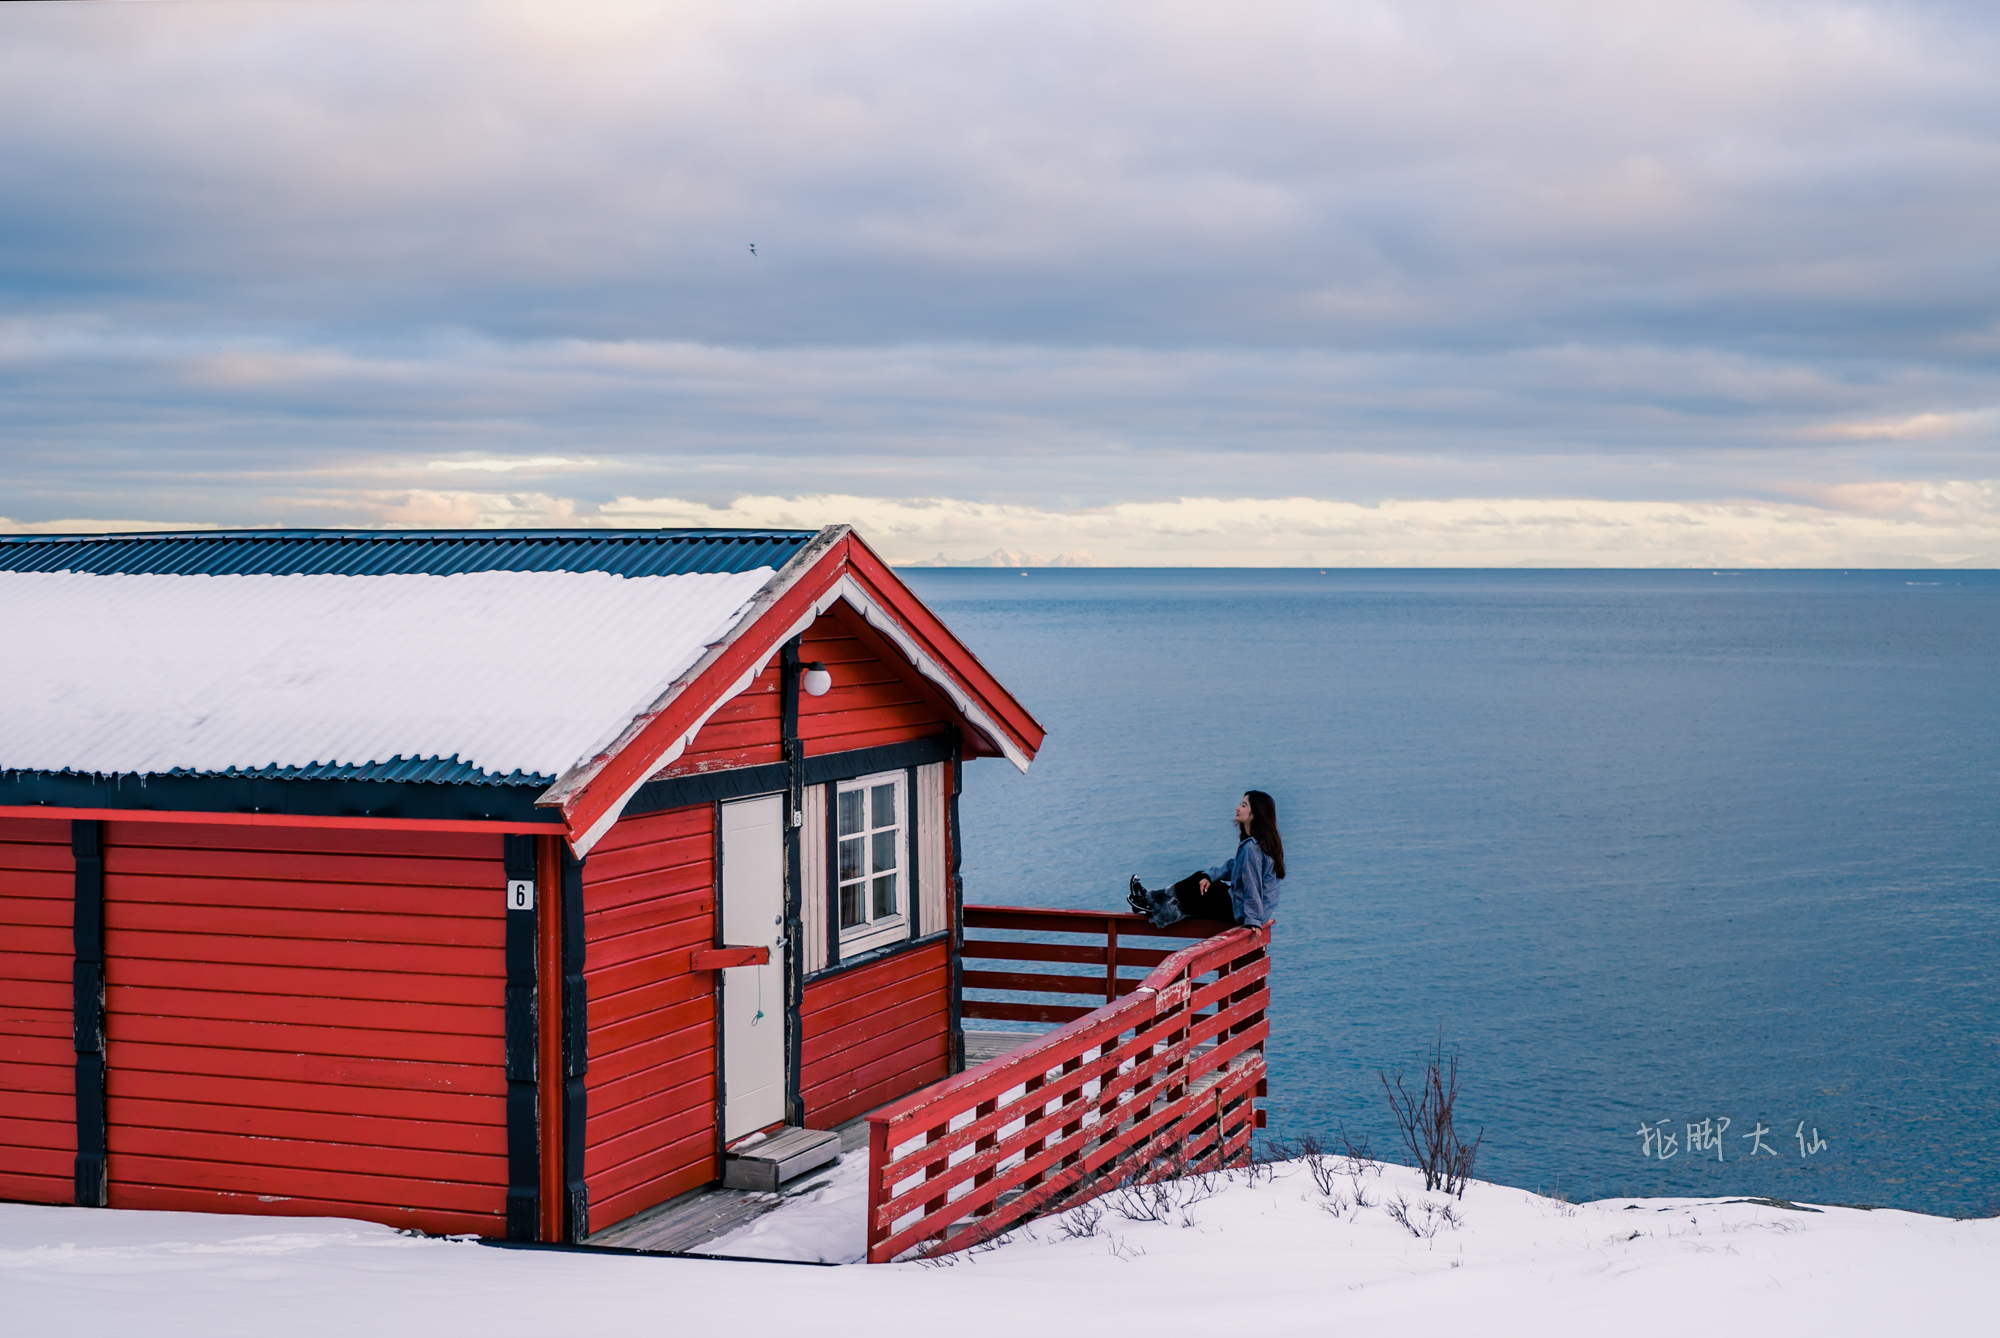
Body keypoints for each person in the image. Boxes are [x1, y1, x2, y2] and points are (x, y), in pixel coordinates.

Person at [1127, 790, 1286, 928]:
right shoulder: (1258, 844)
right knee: (1202, 881)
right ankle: (1151, 904)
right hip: (1247, 908)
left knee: (1197, 886)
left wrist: (1253, 920)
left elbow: (1252, 884)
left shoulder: (1252, 848)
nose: (1237, 808)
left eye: (1244, 805)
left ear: (1255, 814)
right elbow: (1234, 866)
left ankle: (1150, 904)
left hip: (1243, 911)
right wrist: (1210, 876)